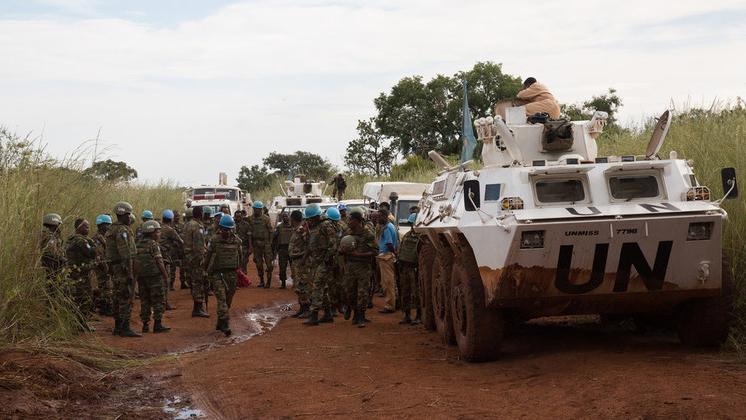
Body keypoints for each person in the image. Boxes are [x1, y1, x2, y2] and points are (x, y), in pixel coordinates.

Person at [105, 201, 140, 337]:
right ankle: (125, 328)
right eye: (128, 214)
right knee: (126, 296)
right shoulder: (122, 230)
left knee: (117, 296)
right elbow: (126, 254)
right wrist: (130, 273)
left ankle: (118, 327)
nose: (130, 217)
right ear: (123, 214)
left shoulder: (111, 229)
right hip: (123, 268)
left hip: (115, 268)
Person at [204, 214, 242, 336]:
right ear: (221, 228)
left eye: (230, 229)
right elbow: (208, 256)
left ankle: (220, 321)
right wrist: (205, 271)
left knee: (228, 301)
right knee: (222, 300)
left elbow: (240, 256)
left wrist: (239, 271)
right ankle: (225, 324)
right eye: (226, 229)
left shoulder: (237, 241)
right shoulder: (214, 240)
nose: (228, 231)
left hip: (232, 274)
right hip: (218, 274)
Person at [340, 210, 378, 327]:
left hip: (363, 267)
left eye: (350, 220)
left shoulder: (368, 234)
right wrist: (342, 250)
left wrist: (360, 254)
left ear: (357, 221)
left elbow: (375, 251)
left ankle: (361, 316)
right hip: (350, 267)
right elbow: (340, 247)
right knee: (349, 291)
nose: (348, 222)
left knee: (362, 292)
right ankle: (354, 312)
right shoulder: (347, 233)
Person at [303, 204, 338, 326]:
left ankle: (314, 315)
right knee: (323, 287)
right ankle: (328, 314)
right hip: (317, 261)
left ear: (317, 216)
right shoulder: (315, 226)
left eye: (310, 218)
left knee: (317, 286)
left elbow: (333, 244)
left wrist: (327, 259)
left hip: (324, 261)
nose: (309, 221)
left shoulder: (326, 225)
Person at [135, 220, 171, 333]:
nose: (159, 234)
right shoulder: (154, 245)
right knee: (158, 299)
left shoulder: (137, 244)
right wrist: (165, 276)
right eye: (158, 231)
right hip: (155, 277)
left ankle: (145, 325)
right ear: (152, 232)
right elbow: (159, 261)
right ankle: (157, 324)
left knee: (144, 300)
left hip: (141, 277)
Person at [65, 218, 97, 328]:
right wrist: (93, 243)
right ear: (79, 227)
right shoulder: (81, 240)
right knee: (85, 298)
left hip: (73, 272)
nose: (88, 229)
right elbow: (92, 253)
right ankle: (82, 324)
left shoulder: (71, 239)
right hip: (80, 273)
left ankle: (77, 323)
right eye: (86, 227)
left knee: (76, 298)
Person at [183, 206, 209, 318]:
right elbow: (198, 247)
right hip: (196, 258)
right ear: (201, 213)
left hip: (189, 257)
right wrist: (202, 260)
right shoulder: (197, 226)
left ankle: (198, 307)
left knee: (194, 281)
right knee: (198, 282)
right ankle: (197, 308)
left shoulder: (188, 224)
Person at [397, 213, 421, 324]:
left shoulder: (423, 237)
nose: (412, 226)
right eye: (411, 224)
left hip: (415, 268)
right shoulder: (407, 235)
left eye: (413, 223)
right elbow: (401, 248)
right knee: (405, 292)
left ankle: (419, 316)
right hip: (405, 267)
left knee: (417, 293)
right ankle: (406, 315)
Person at [159, 209, 184, 310]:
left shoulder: (158, 227)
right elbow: (180, 241)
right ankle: (164, 303)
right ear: (171, 219)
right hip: (165, 257)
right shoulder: (170, 230)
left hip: (156, 256)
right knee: (166, 279)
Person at [287, 210, 310, 318]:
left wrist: (304, 258)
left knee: (303, 285)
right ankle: (302, 308)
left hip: (301, 261)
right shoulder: (297, 229)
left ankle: (307, 309)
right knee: (297, 285)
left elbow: (309, 245)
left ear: (292, 219)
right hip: (296, 261)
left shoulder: (302, 230)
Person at [376, 208, 398, 314]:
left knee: (387, 282)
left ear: (385, 216)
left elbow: (389, 243)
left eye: (380, 216)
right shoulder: (390, 226)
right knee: (391, 281)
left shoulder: (387, 228)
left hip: (386, 256)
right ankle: (394, 302)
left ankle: (390, 305)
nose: (378, 218)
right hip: (388, 255)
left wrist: (393, 253)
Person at [325, 207, 345, 313]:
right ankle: (340, 305)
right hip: (340, 259)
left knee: (331, 283)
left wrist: (326, 258)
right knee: (340, 282)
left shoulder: (328, 228)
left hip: (332, 259)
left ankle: (333, 307)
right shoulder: (342, 226)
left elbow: (331, 246)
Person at [249, 201, 274, 288]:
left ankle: (268, 282)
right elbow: (249, 233)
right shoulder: (251, 219)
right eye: (255, 209)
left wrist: (270, 243)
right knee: (258, 264)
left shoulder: (266, 219)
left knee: (269, 264)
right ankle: (262, 281)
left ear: (261, 209)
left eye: (257, 209)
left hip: (266, 244)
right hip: (256, 244)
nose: (256, 210)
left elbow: (271, 231)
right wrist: (251, 245)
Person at [92, 214, 113, 316]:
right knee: (105, 287)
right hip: (101, 266)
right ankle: (105, 308)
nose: (108, 226)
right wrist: (105, 267)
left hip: (105, 265)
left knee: (106, 287)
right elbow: (98, 255)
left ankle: (105, 306)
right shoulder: (97, 238)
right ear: (101, 225)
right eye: (107, 224)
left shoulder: (104, 237)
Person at [39, 213, 66, 281]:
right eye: (58, 225)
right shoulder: (49, 236)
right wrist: (62, 259)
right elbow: (51, 252)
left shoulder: (48, 235)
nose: (58, 227)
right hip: (52, 266)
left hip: (53, 266)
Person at [272, 212, 293, 289]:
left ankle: (295, 282)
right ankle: (283, 283)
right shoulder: (279, 227)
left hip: (292, 249)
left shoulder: (293, 226)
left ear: (289, 217)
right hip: (282, 249)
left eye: (286, 216)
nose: (285, 218)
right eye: (283, 216)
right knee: (282, 267)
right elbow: (274, 237)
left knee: (294, 267)